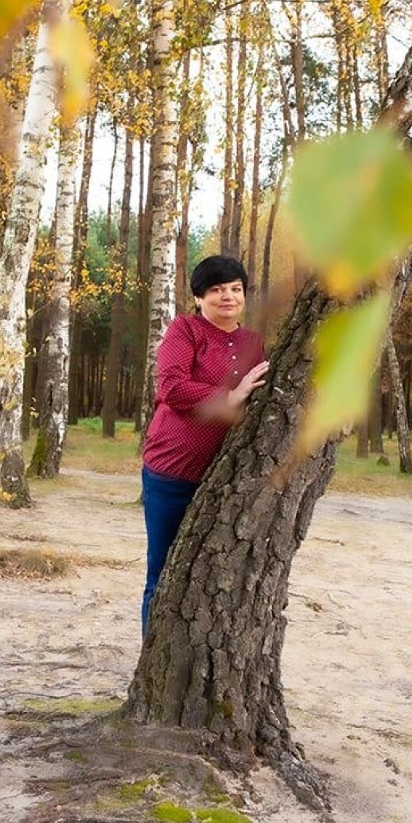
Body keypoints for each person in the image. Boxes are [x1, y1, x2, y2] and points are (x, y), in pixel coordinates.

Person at [140, 255, 268, 635]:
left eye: (235, 289)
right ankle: (153, 662)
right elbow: (172, 387)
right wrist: (231, 395)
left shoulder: (253, 342)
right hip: (171, 474)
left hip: (221, 480)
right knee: (162, 570)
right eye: (216, 290)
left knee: (210, 579)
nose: (227, 297)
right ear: (199, 297)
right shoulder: (185, 330)